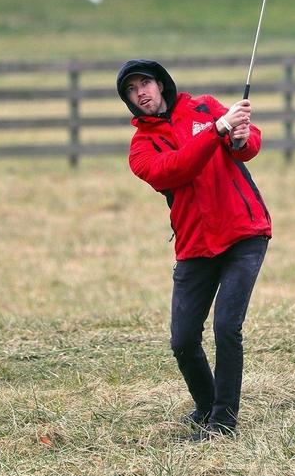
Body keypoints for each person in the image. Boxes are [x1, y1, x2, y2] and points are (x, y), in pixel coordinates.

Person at [116, 59, 271, 440]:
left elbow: (247, 145)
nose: (140, 92)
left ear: (160, 84)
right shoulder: (141, 148)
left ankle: (223, 422)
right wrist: (218, 130)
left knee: (226, 327)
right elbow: (177, 168)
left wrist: (240, 138)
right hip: (195, 245)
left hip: (244, 232)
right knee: (183, 340)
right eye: (132, 90)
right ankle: (206, 406)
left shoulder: (203, 106)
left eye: (145, 83)